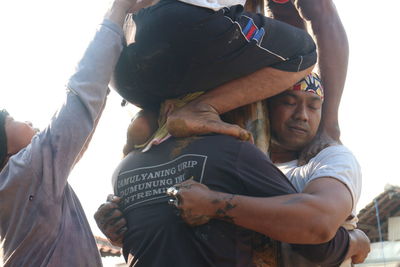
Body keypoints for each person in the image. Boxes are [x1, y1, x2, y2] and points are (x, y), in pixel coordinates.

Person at [0, 0, 144, 265]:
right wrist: (117, 11)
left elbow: (81, 132)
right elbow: (81, 97)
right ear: (5, 152)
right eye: (13, 120)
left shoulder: (22, 191)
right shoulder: (24, 174)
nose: (29, 120)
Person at [111, 0, 319, 141]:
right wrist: (328, 126)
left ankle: (147, 119)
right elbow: (310, 13)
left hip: (123, 65)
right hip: (186, 22)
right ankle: (202, 108)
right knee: (303, 53)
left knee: (197, 70)